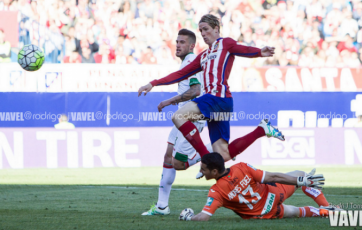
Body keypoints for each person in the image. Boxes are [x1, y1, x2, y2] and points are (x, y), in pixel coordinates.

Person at [138, 14, 284, 169]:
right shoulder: (204, 56)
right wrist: (153, 83)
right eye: (200, 30)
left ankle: (205, 158)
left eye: (206, 29)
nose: (203, 33)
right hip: (221, 104)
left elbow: (243, 49)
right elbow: (180, 74)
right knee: (224, 154)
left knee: (179, 116)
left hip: (216, 97)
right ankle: (262, 130)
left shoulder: (225, 43)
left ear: (216, 29)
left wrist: (260, 52)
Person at [142, 29, 211, 216]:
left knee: (178, 164)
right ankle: (162, 207)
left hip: (191, 119)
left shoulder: (191, 62)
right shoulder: (186, 63)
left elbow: (195, 90)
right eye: (177, 41)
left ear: (191, 46)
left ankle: (210, 152)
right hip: (182, 118)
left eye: (182, 42)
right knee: (167, 157)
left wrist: (169, 101)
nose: (178, 45)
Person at [179, 153, 338, 221]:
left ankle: (324, 211)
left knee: (296, 212)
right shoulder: (241, 167)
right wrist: (301, 180)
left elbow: (204, 217)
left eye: (203, 169)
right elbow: (273, 177)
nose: (200, 171)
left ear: (214, 171)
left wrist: (189, 218)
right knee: (301, 174)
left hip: (265, 213)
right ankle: (327, 207)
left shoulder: (216, 191)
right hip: (275, 195)